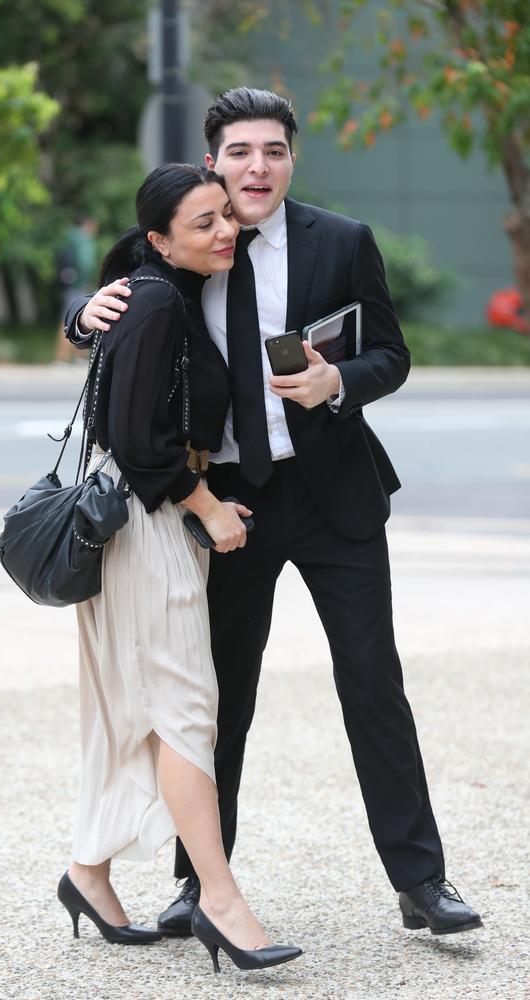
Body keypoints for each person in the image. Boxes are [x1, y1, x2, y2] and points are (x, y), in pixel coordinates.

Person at [66, 88, 482, 939]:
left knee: (374, 686)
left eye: (275, 151)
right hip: (222, 502)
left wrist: (341, 382)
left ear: (293, 157)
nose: (258, 168)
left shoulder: (343, 242)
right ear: (212, 159)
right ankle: (197, 886)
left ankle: (422, 882)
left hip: (335, 495)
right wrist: (80, 316)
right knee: (219, 702)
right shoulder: (181, 234)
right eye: (241, 152)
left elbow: (391, 355)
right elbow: (117, 321)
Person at [57, 162, 302, 974]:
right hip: (146, 520)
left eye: (225, 216)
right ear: (162, 240)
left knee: (136, 704)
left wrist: (81, 317)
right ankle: (220, 901)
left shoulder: (161, 284)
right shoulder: (158, 295)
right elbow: (135, 438)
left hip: (143, 521)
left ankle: (89, 872)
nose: (226, 230)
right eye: (204, 223)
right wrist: (207, 509)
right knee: (187, 707)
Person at [54, 216, 99, 363]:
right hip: (78, 286)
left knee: (79, 317)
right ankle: (63, 357)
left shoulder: (73, 238)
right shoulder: (81, 240)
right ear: (88, 224)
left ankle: (79, 356)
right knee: (70, 318)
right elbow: (84, 264)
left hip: (75, 284)